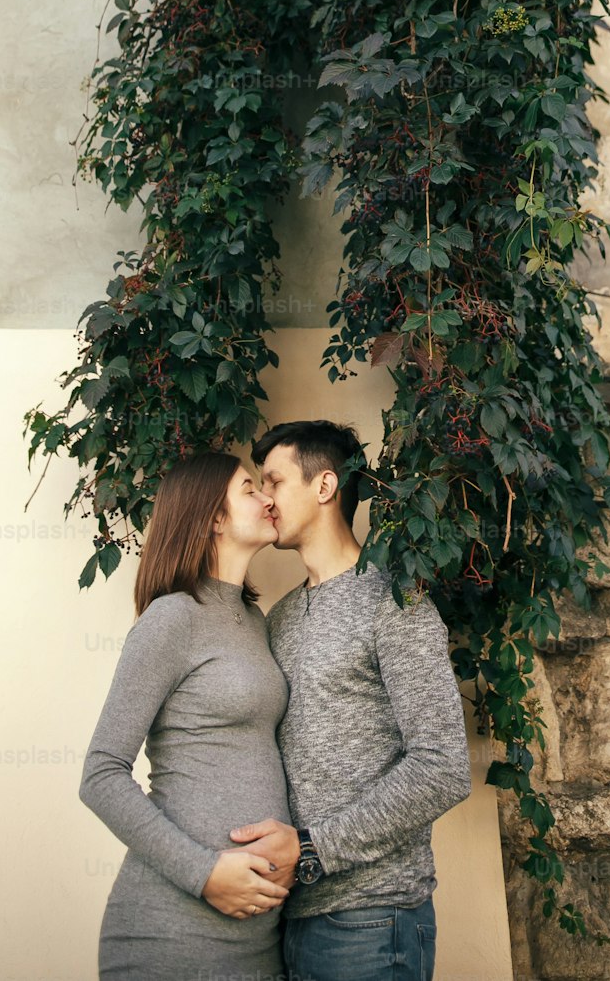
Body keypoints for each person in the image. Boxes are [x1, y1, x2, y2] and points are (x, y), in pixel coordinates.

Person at [230, 420, 472, 981]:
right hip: (289, 922)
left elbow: (443, 767)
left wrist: (311, 849)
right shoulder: (281, 617)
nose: (264, 498)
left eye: (274, 481)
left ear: (324, 487)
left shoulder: (395, 599)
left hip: (373, 921)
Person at [78, 452, 293, 981]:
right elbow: (100, 775)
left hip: (258, 945)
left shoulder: (252, 619)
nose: (268, 498)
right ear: (213, 516)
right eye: (250, 489)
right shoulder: (172, 618)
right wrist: (205, 873)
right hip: (170, 936)